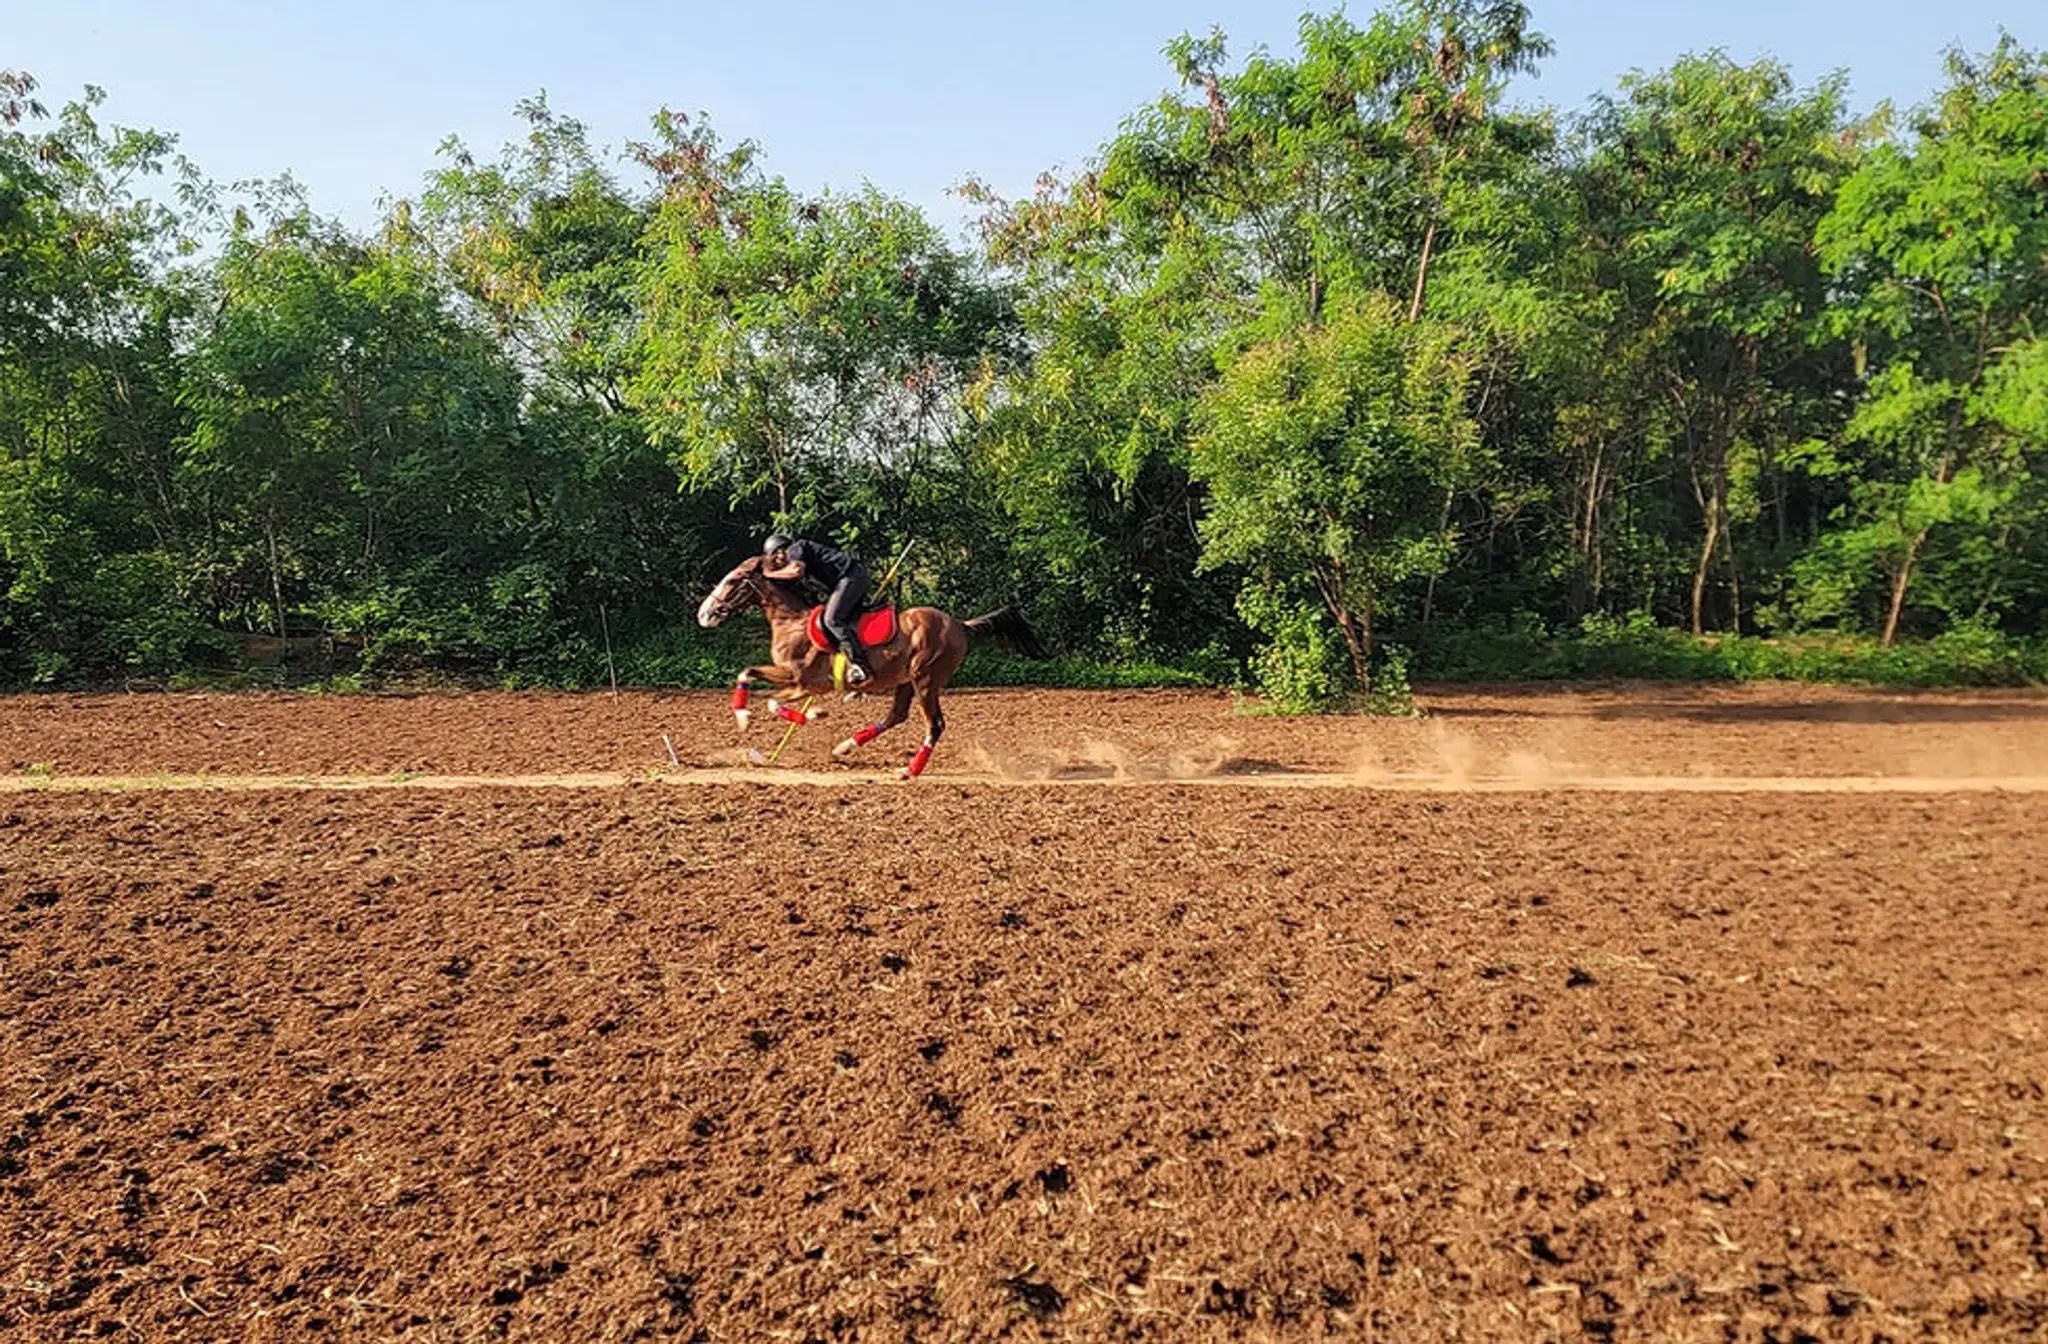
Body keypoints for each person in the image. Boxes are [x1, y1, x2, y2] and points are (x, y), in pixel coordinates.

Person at [762, 533, 873, 685]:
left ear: (780, 550)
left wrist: (769, 574)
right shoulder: (799, 557)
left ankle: (861, 666)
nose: (778, 562)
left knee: (832, 619)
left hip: (851, 577)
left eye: (776, 557)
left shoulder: (795, 549)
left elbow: (796, 571)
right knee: (839, 621)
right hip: (844, 582)